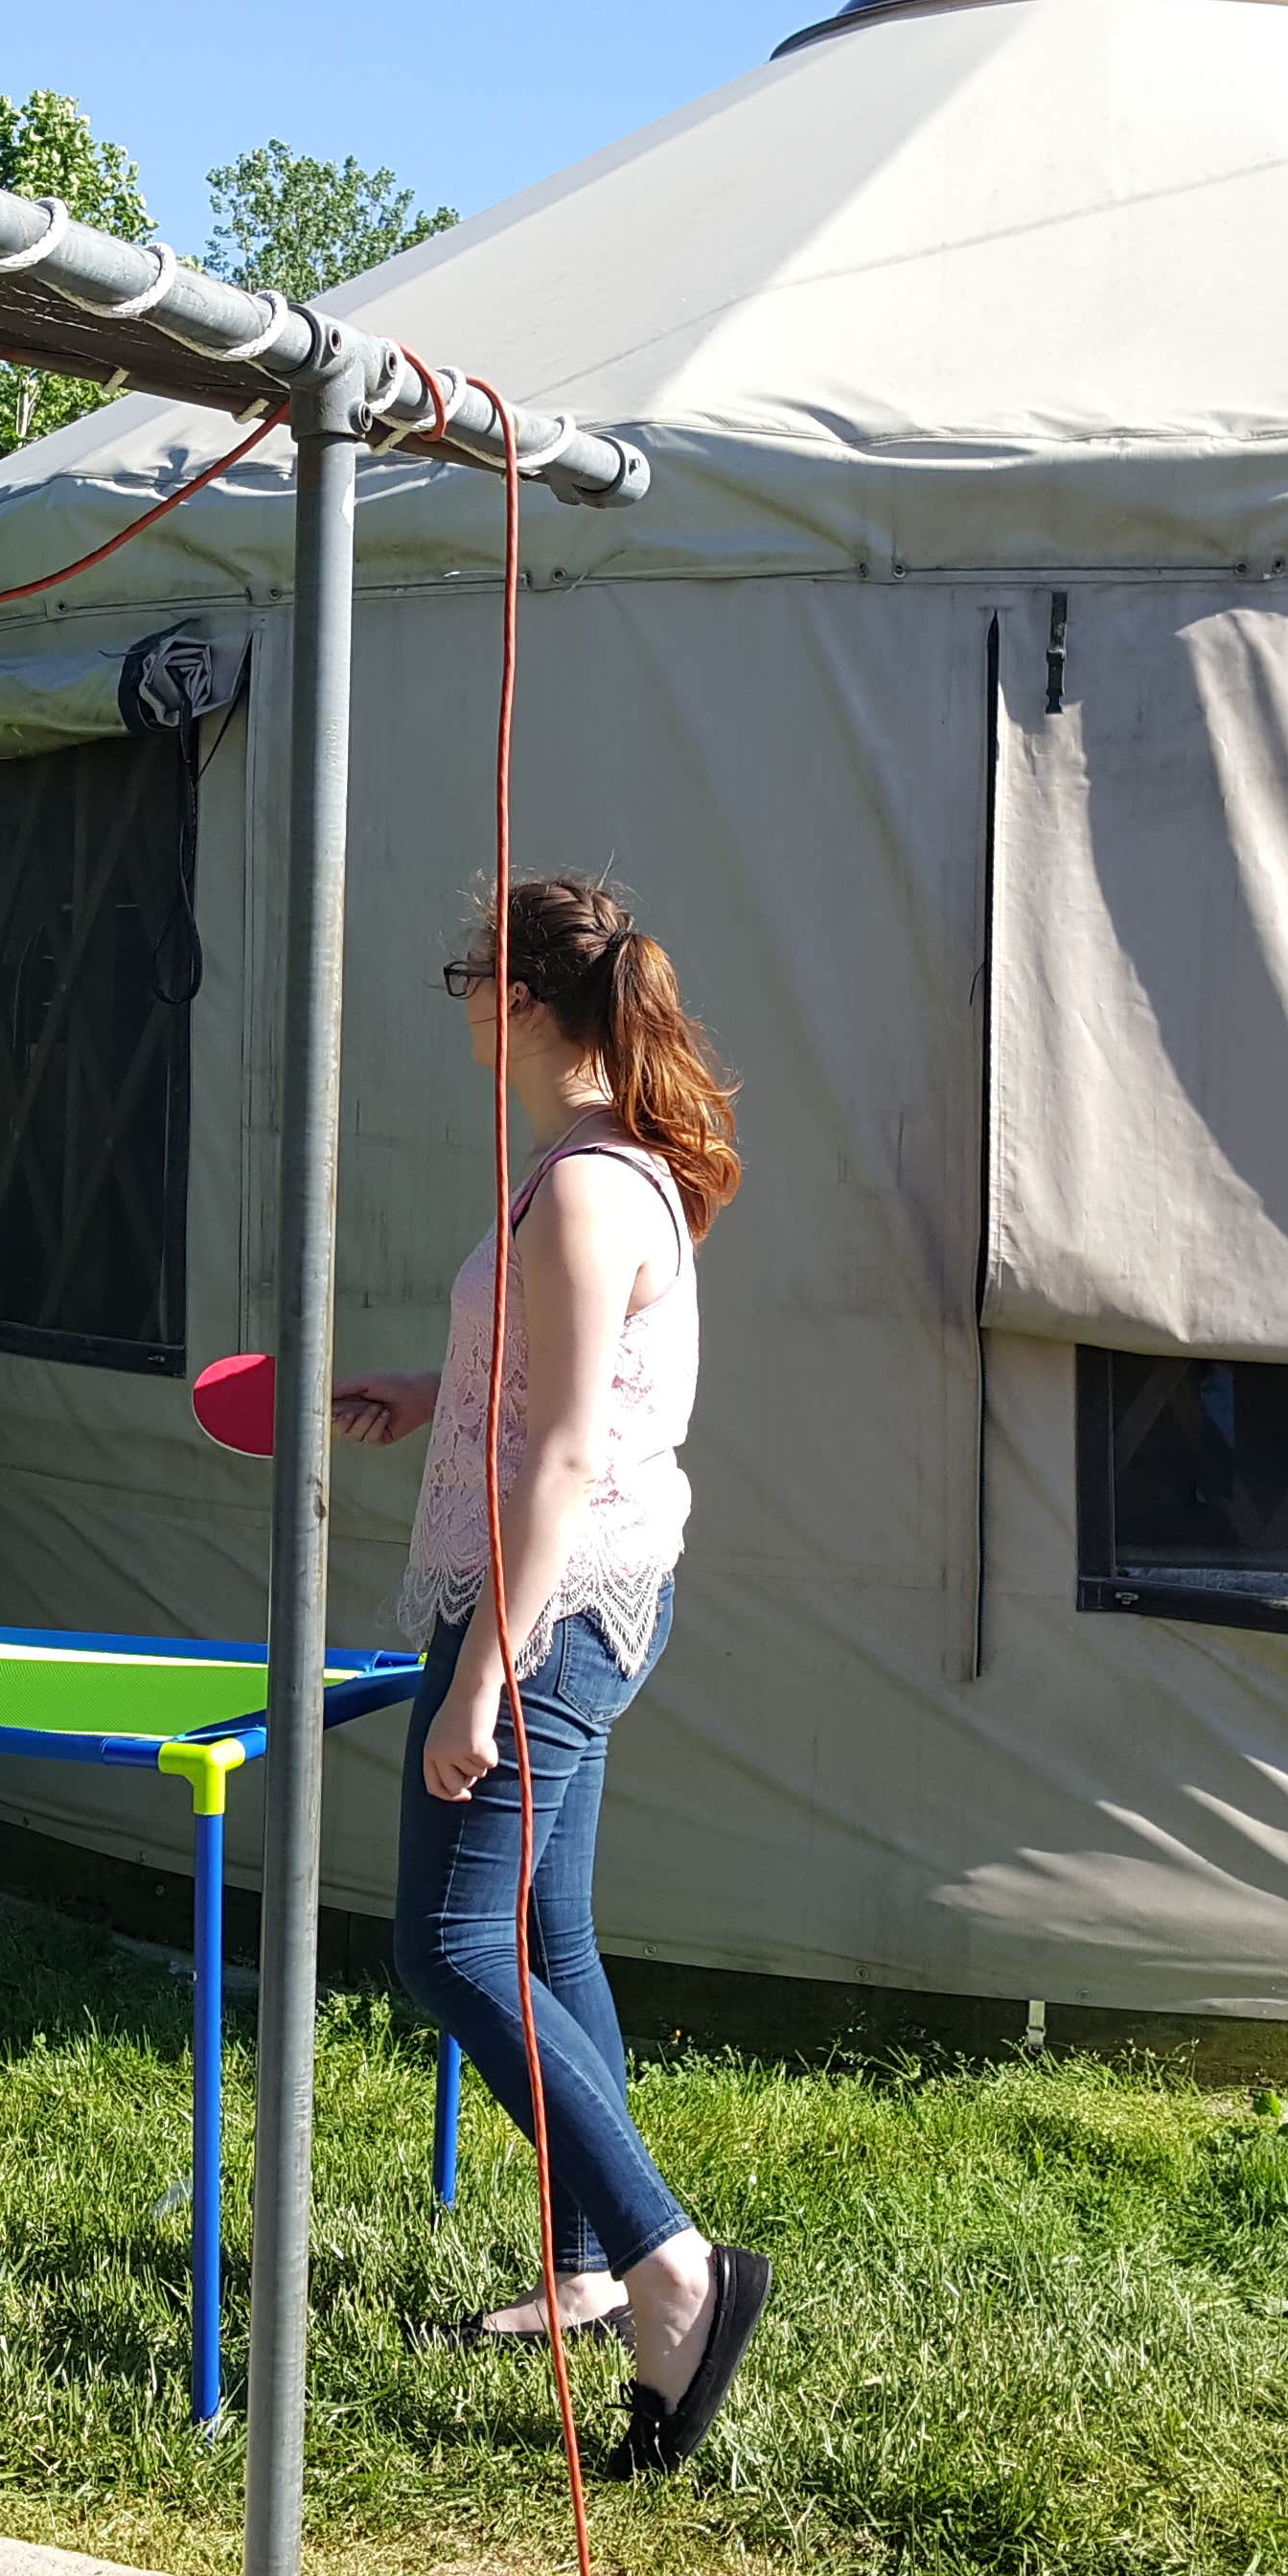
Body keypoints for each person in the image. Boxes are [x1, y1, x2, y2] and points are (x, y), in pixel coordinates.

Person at [332, 873, 773, 2480]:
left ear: (518, 994)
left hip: (550, 1608)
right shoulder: (587, 1175)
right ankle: (590, 2262)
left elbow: (578, 1447)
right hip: (580, 1598)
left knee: (450, 1943)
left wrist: (478, 1676)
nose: (456, 998)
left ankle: (673, 2266)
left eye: (466, 972)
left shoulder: (587, 1186)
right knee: (541, 1926)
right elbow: (547, 1389)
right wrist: (421, 1387)